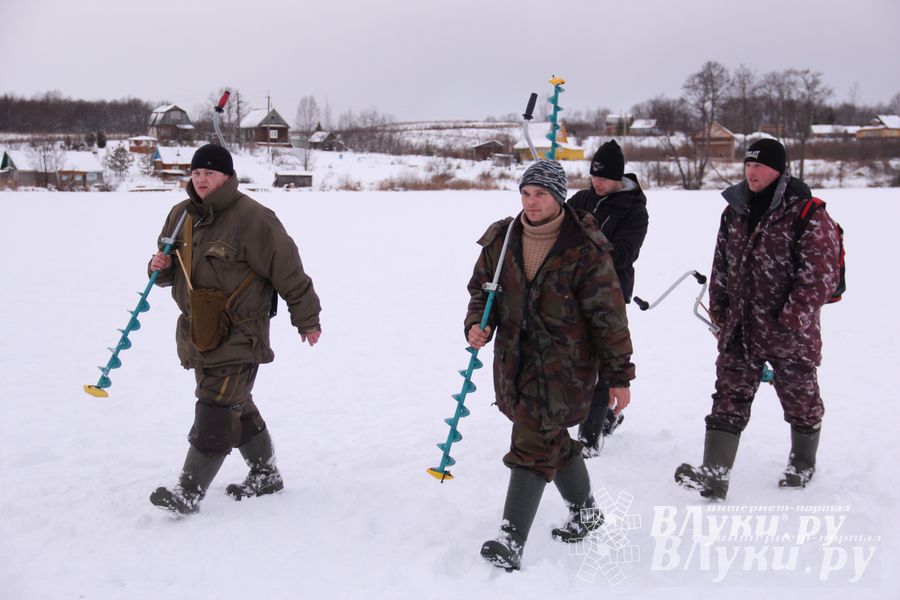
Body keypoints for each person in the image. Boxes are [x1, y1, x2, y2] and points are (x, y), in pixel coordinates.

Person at [465, 160, 635, 571]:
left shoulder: (585, 247)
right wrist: (476, 323)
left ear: (559, 197)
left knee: (531, 444)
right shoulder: (503, 239)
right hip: (513, 362)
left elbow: (608, 316)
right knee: (550, 437)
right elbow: (482, 290)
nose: (531, 202)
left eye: (540, 194)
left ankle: (511, 540)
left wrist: (619, 375)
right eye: (526, 193)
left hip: (565, 368)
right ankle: (587, 514)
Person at [148, 144, 322, 515]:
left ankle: (189, 491)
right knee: (235, 403)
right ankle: (265, 475)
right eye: (196, 173)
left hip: (241, 333)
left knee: (216, 405)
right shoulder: (181, 216)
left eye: (209, 173)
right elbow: (167, 274)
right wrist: (158, 266)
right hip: (199, 332)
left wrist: (307, 319)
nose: (201, 180)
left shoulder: (254, 219)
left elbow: (289, 272)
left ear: (227, 176)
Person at [675, 139, 840, 500]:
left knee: (800, 400)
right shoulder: (735, 211)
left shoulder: (807, 213)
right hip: (740, 328)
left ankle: (802, 463)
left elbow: (819, 276)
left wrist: (791, 319)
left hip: (789, 332)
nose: (751, 172)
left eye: (759, 166)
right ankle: (714, 475)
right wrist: (720, 310)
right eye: (748, 165)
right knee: (728, 397)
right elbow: (721, 265)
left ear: (778, 170)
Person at [566, 139, 648, 456]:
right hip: (573, 291)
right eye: (594, 176)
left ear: (618, 177)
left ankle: (589, 439)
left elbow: (625, 253)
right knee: (575, 360)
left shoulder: (634, 209)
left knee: (600, 364)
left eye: (603, 178)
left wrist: (582, 255)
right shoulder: (582, 199)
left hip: (609, 293)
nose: (597, 182)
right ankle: (608, 416)